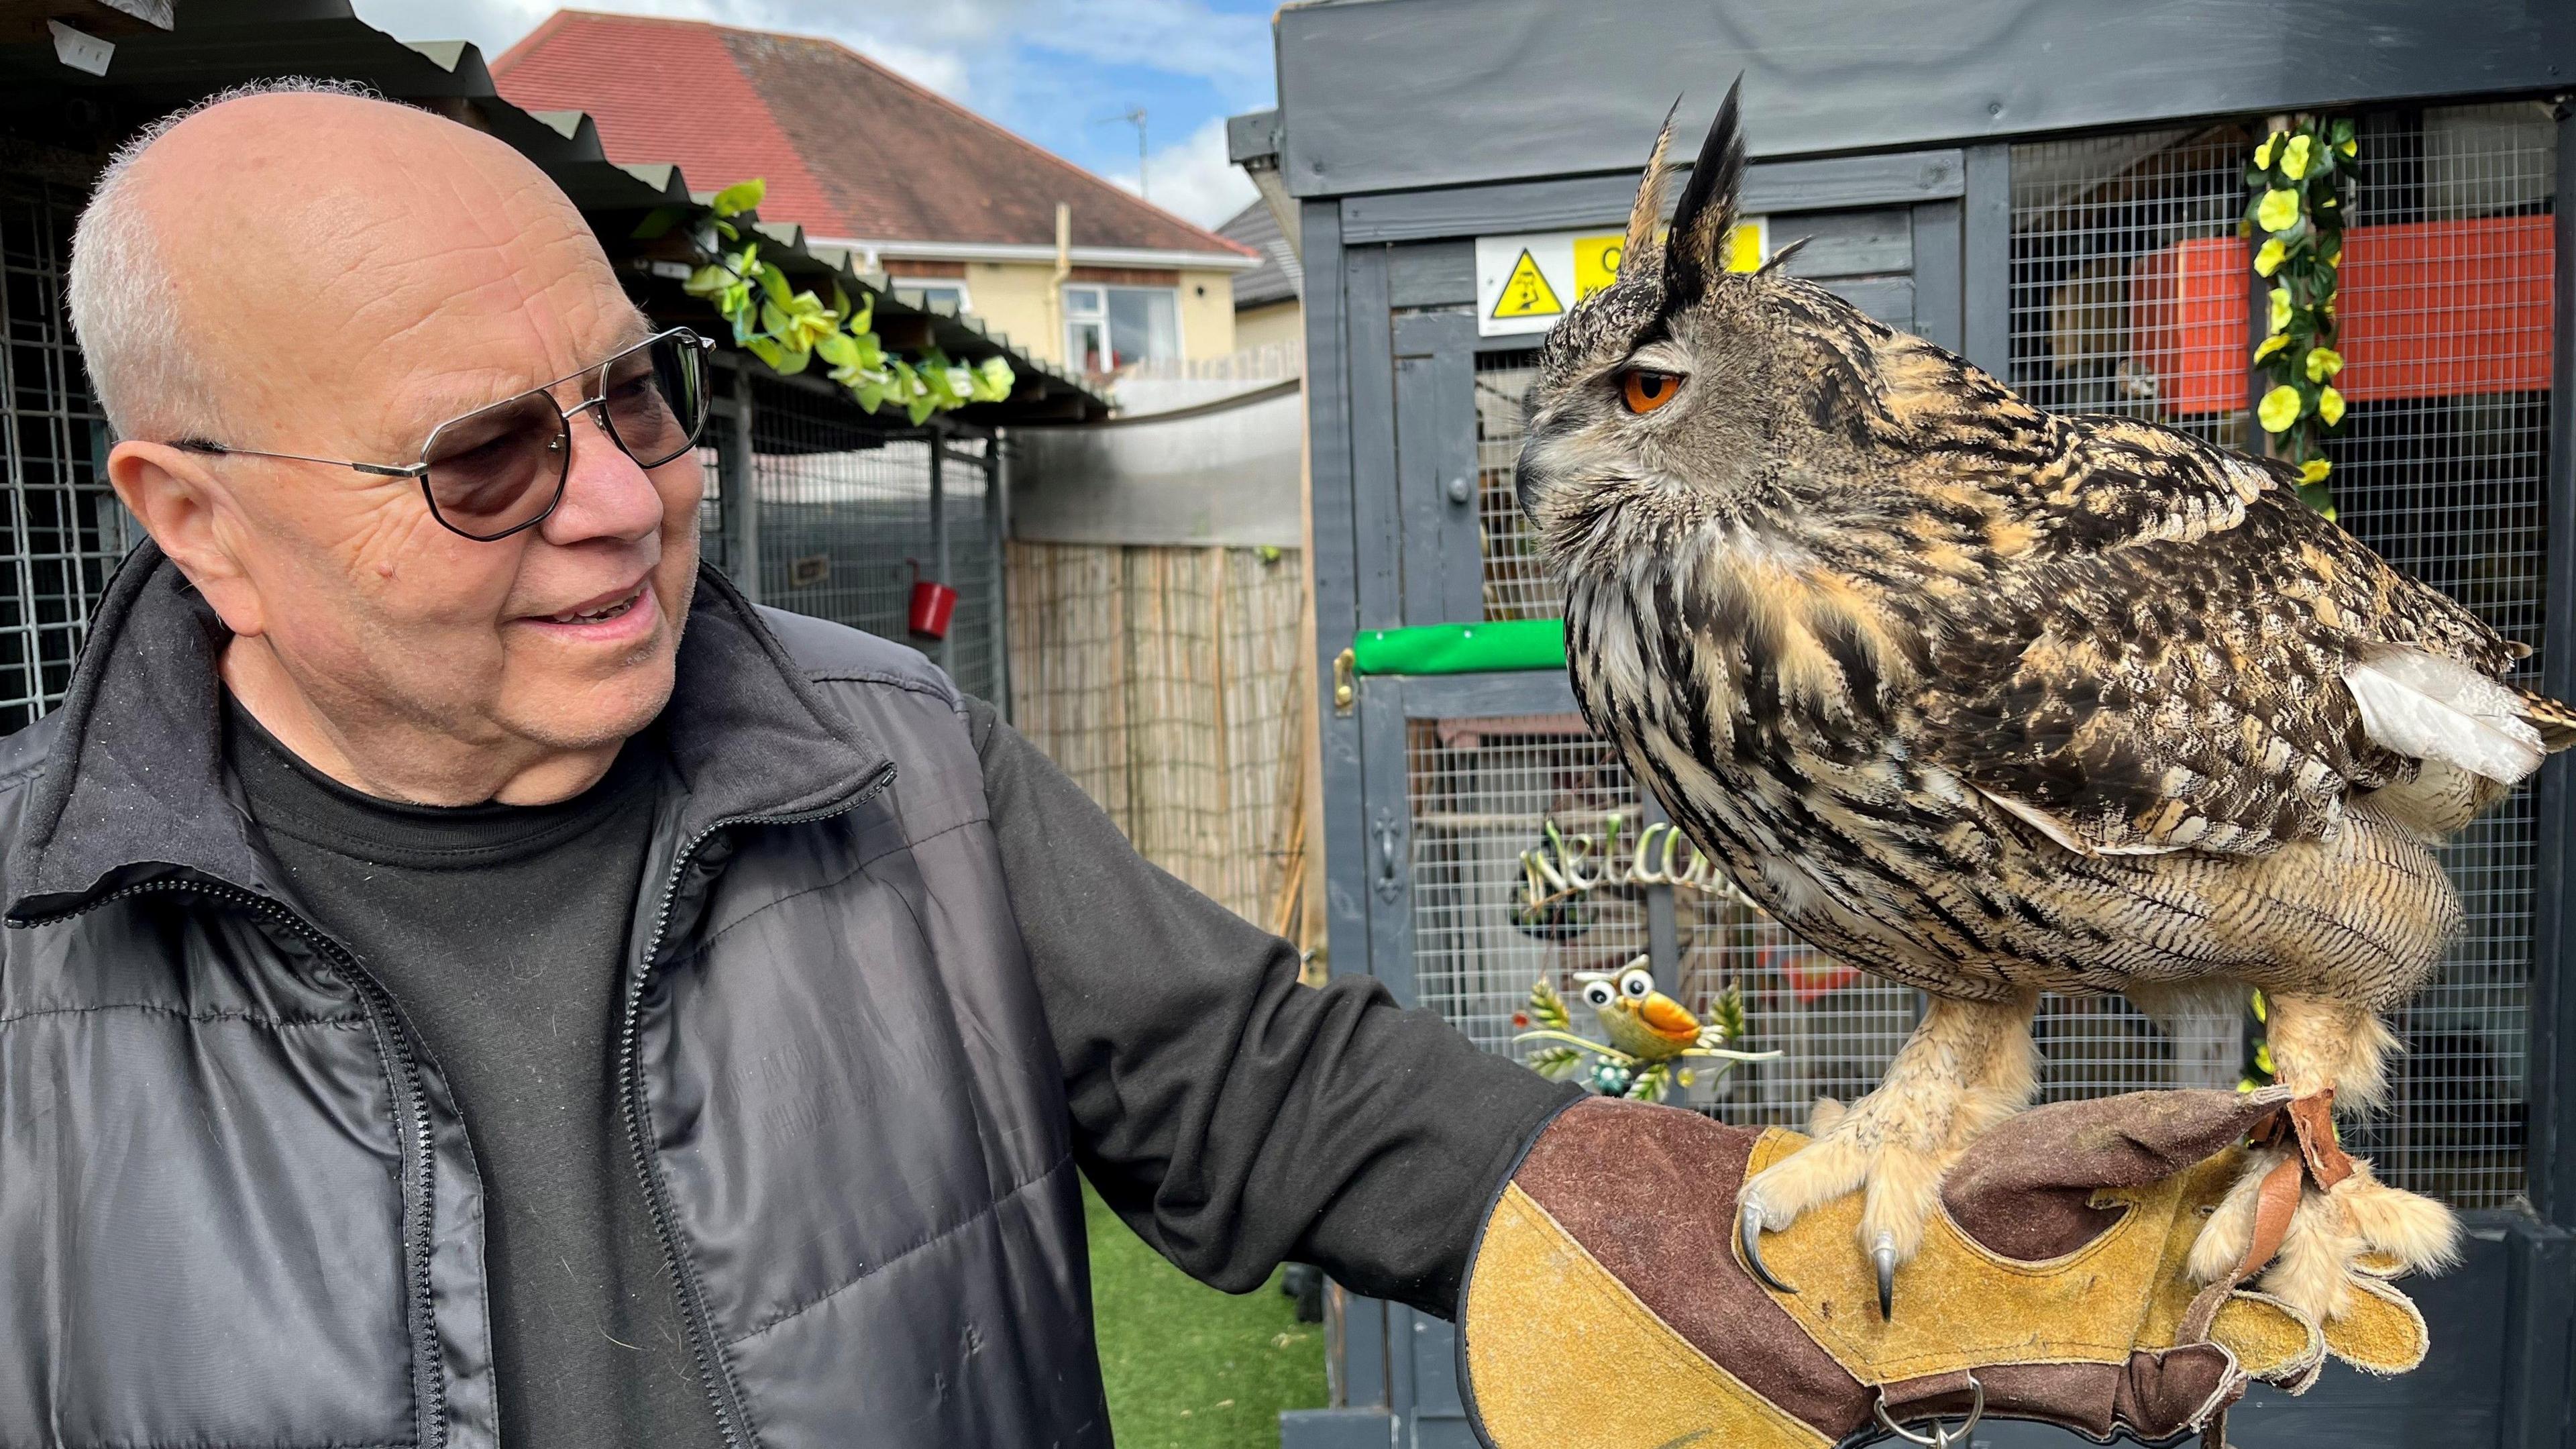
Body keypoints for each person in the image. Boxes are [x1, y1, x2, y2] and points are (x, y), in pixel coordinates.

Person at [0, 82, 2396, 1448]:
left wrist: (1746, 1213)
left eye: (637, 394)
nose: (623, 495)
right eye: (484, 462)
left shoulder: (883, 764)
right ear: (192, 515)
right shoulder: (31, 964)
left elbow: (1274, 1090)